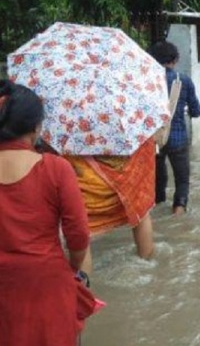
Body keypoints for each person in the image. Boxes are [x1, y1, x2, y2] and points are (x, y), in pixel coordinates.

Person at [0, 80, 100, 345]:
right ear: (35, 127)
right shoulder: (56, 169)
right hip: (48, 285)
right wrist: (74, 269)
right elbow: (78, 236)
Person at [150, 41, 200, 215]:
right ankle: (178, 214)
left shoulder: (147, 81)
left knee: (158, 180)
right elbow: (196, 111)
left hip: (154, 140)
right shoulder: (184, 81)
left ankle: (157, 208)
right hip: (178, 139)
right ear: (174, 60)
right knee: (182, 180)